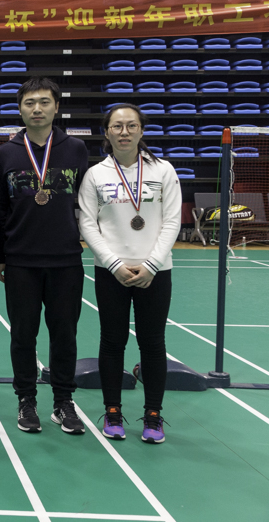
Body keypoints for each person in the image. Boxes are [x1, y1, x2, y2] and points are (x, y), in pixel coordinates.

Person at [79, 103, 181, 444]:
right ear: (107, 132)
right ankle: (113, 411)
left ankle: (153, 415)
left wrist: (151, 265)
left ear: (141, 130)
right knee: (112, 341)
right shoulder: (96, 174)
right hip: (111, 272)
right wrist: (113, 264)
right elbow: (88, 224)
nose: (124, 132)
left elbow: (172, 221)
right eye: (117, 126)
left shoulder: (163, 170)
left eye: (131, 126)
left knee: (153, 343)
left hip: (156, 272)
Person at [0, 77, 89, 435]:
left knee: (65, 335)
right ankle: (26, 399)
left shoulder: (76, 149)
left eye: (44, 102)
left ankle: (63, 401)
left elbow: (87, 202)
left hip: (66, 259)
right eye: (30, 103)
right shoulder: (5, 154)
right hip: (21, 260)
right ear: (20, 109)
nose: (37, 109)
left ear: (56, 107)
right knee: (23, 335)